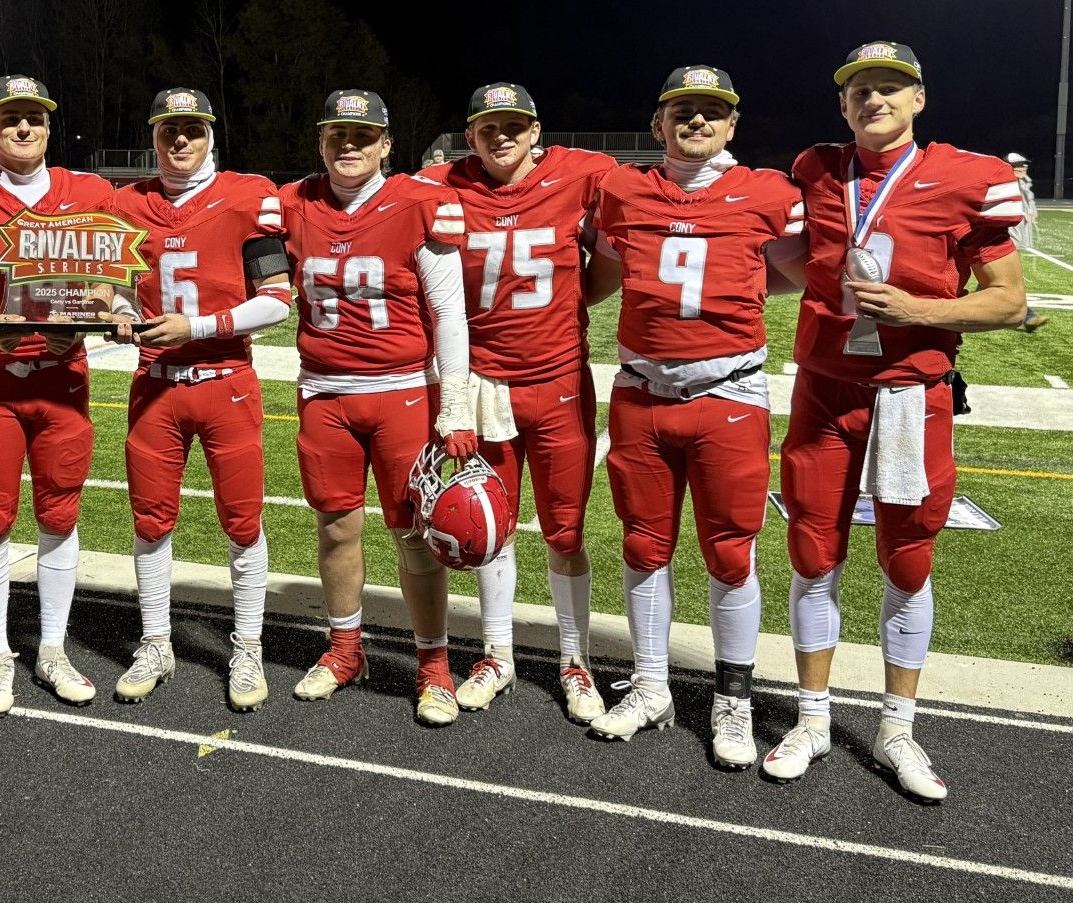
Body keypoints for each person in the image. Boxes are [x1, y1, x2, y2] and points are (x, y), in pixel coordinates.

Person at [764, 42, 1026, 801]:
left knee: (908, 557)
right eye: (859, 91)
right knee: (814, 552)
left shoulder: (966, 175)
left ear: (918, 99)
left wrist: (921, 310)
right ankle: (813, 719)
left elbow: (1008, 299)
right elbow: (798, 261)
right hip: (825, 389)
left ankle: (897, 727)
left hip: (912, 393)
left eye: (889, 88)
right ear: (843, 105)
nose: (872, 100)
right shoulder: (816, 167)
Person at [582, 66, 805, 767]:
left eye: (713, 111)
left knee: (730, 551)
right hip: (642, 393)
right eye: (683, 110)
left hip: (728, 393)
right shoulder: (623, 190)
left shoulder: (766, 192)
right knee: (644, 543)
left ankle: (732, 697)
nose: (698, 121)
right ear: (659, 124)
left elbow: (795, 270)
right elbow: (606, 269)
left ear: (733, 124)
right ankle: (651, 685)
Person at [418, 83, 615, 720]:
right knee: (489, 527)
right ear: (469, 136)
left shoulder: (581, 175)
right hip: (486, 384)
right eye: (486, 127)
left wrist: (574, 301)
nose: (500, 136)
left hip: (558, 380)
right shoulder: (441, 186)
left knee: (565, 530)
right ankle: (497, 654)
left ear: (536, 131)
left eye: (514, 125)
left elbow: (611, 261)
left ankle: (575, 661)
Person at [280, 89, 476, 727]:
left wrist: (457, 404)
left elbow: (449, 312)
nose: (349, 146)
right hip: (324, 393)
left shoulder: (420, 205)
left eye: (363, 136)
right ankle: (344, 649)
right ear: (320, 140)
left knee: (414, 535)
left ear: (387, 144)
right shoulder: (293, 203)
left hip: (400, 393)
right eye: (337, 134)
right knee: (336, 527)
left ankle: (434, 666)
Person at [0, 75, 115, 714]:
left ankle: (53, 647)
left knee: (61, 516)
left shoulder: (88, 193)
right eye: (11, 118)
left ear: (50, 124)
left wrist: (100, 306)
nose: (24, 128)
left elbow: (113, 283)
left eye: (35, 116)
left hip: (65, 382)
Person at [102, 88, 291, 709]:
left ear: (211, 135)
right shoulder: (127, 204)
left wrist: (200, 326)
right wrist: (122, 312)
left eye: (191, 130)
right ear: (153, 135)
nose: (179, 141)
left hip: (224, 382)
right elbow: (118, 291)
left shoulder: (246, 196)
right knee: (151, 521)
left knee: (242, 522)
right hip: (155, 385)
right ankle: (156, 641)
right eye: (167, 131)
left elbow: (275, 301)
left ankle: (247, 646)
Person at [1004, 153, 1046, 331]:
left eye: (1024, 164)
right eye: (1017, 165)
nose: (1022, 168)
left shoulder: (1023, 184)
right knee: (1013, 282)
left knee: (992, 284)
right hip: (1004, 242)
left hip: (1015, 241)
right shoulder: (1003, 186)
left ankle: (971, 310)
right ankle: (1029, 316)